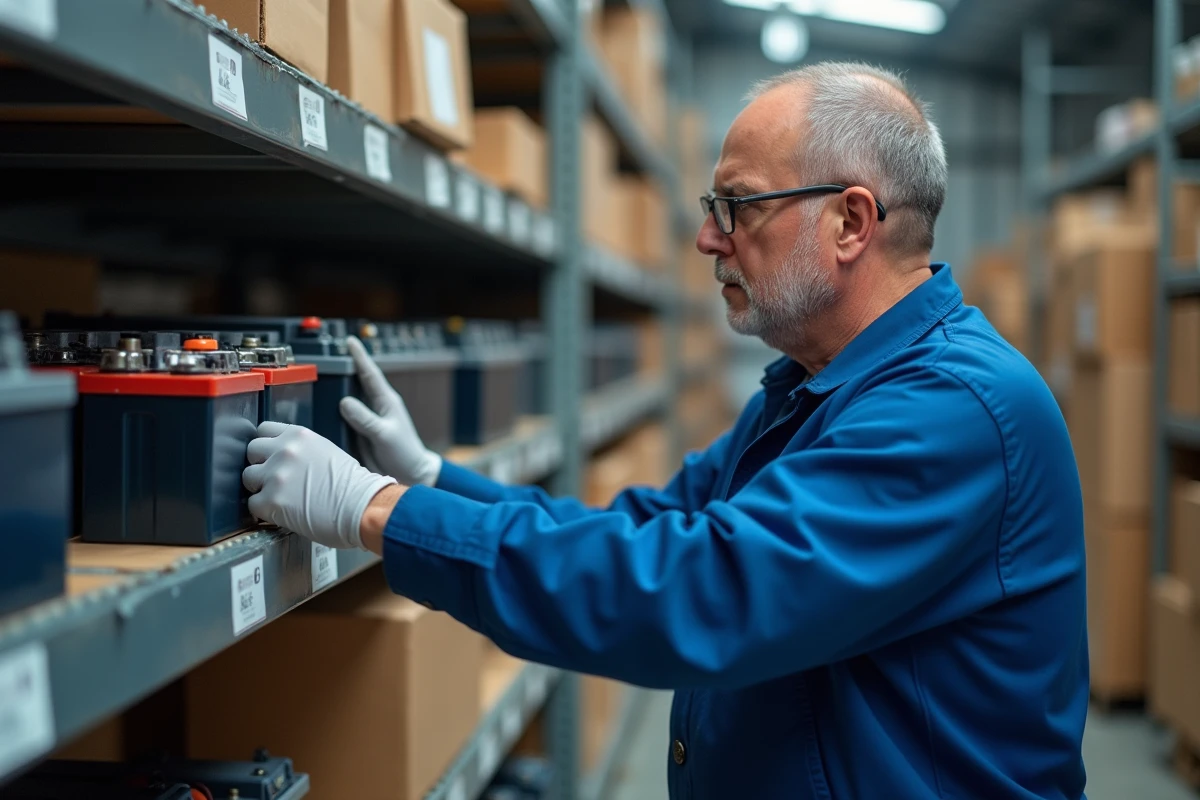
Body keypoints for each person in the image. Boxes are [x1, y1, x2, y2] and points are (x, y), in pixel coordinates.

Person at [242, 62, 1088, 799]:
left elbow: (696, 592)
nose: (706, 237)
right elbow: (653, 531)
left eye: (739, 205)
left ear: (850, 223)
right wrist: (434, 484)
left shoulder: (952, 412)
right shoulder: (811, 390)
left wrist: (382, 513)